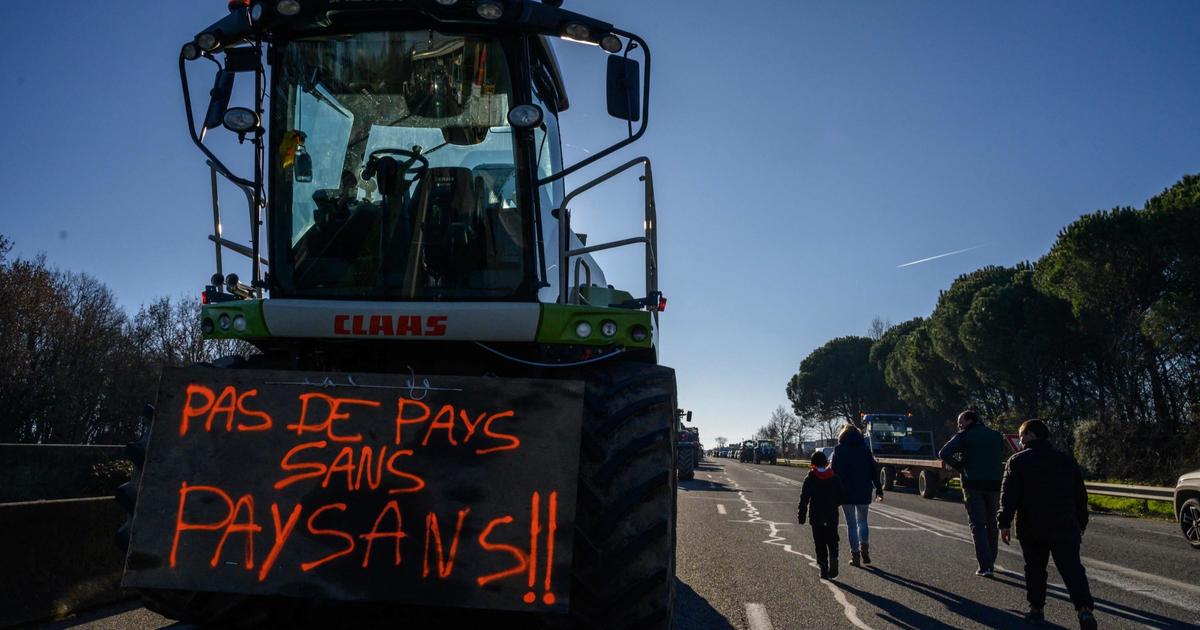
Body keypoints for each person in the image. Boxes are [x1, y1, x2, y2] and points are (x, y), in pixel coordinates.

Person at [998, 419, 1097, 629]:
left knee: (1035, 569)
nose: (1020, 440)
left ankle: (1036, 610)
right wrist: (1081, 521)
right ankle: (1084, 610)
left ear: (1032, 435)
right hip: (1064, 524)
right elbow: (1080, 494)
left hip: (1031, 526)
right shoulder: (1065, 460)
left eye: (1022, 435)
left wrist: (1004, 522)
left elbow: (1009, 496)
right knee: (1072, 569)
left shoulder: (1017, 461)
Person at [937, 409, 1008, 577]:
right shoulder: (996, 435)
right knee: (992, 523)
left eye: (960, 422)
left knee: (978, 524)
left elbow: (943, 453)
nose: (959, 426)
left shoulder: (965, 435)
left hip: (972, 484)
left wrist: (960, 466)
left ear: (969, 420)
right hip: (994, 485)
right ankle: (991, 559)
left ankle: (985, 566)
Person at [831, 424, 884, 567]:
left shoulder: (838, 450)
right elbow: (874, 471)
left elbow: (833, 472)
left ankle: (855, 556)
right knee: (863, 521)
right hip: (863, 490)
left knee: (851, 525)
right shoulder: (865, 450)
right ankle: (865, 549)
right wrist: (879, 489)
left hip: (845, 492)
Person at [797, 450, 847, 579]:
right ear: (826, 463)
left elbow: (804, 499)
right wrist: (835, 504)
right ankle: (834, 556)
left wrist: (801, 515)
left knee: (819, 543)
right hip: (831, 515)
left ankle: (823, 567)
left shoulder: (810, 478)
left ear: (812, 464)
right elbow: (842, 496)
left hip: (816, 516)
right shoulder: (834, 477)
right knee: (833, 540)